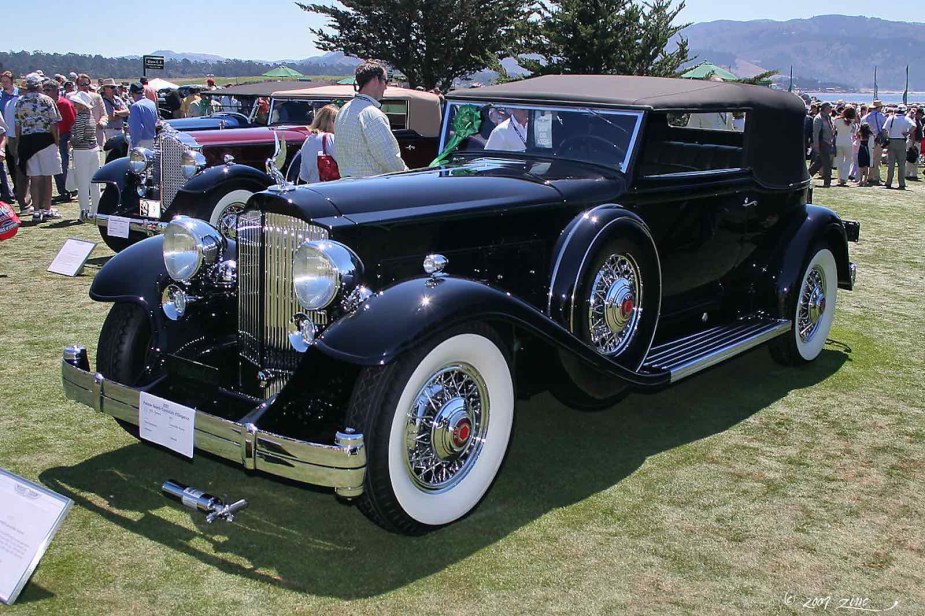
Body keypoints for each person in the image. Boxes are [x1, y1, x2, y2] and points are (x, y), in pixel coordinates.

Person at [333, 60, 407, 178]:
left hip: (347, 183)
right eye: (385, 81)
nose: (386, 87)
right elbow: (388, 157)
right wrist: (407, 175)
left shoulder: (343, 111)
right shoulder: (372, 114)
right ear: (375, 80)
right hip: (372, 185)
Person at [14, 72, 62, 221]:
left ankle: (36, 211)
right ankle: (46, 209)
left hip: (27, 142)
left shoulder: (20, 101)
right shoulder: (46, 100)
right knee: (47, 177)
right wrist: (56, 141)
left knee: (34, 178)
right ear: (39, 85)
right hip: (46, 140)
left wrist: (19, 143)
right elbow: (54, 123)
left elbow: (18, 125)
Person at [68, 91, 102, 218]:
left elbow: (78, 138)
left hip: (82, 151)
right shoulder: (91, 116)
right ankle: (96, 210)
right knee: (94, 182)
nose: (74, 105)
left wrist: (70, 141)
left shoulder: (79, 118)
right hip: (94, 149)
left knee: (82, 183)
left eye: (77, 103)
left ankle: (84, 211)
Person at [1, 70, 29, 211]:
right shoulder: (2, 96)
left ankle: (23, 195)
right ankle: (17, 192)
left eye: (6, 81)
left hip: (18, 135)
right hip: (6, 134)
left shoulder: (19, 96)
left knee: (21, 167)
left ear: (12, 81)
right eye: (2, 81)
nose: (4, 83)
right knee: (11, 166)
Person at [45, 80, 75, 203]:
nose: (45, 92)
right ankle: (62, 191)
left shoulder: (65, 104)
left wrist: (71, 139)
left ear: (56, 91)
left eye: (48, 90)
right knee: (55, 165)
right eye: (44, 90)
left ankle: (67, 190)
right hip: (49, 137)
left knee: (63, 164)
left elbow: (73, 122)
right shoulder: (45, 104)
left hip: (63, 137)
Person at [298, 104, 338, 183]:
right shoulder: (330, 138)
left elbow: (303, 175)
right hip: (332, 187)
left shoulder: (308, 141)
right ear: (331, 122)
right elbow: (345, 163)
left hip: (314, 188)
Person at [883, 105, 915, 190]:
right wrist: (907, 133)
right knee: (901, 164)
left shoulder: (891, 118)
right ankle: (901, 183)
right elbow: (914, 126)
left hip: (892, 141)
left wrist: (887, 138)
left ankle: (888, 182)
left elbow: (884, 129)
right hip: (901, 141)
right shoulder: (906, 119)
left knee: (891, 164)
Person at [75, 73, 107, 148]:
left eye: (87, 84)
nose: (85, 86)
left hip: (97, 134)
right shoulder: (71, 97)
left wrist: (102, 122)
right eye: (82, 84)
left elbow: (104, 115)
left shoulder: (97, 97)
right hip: (79, 135)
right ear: (77, 85)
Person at [808, 102, 835, 187]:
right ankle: (827, 182)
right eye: (830, 107)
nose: (831, 109)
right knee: (827, 163)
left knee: (818, 163)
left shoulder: (828, 117)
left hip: (828, 143)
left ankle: (806, 176)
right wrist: (816, 145)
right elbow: (816, 133)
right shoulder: (818, 118)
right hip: (822, 143)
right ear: (825, 108)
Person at [861, 100, 887, 185]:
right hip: (877, 139)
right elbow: (885, 128)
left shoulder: (865, 117)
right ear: (879, 108)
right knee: (876, 158)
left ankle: (870, 175)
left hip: (866, 139)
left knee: (869, 158)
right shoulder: (881, 116)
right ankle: (873, 176)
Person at [127, 82, 158, 149]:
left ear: (132, 93)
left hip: (140, 141)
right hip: (151, 139)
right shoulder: (152, 103)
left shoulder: (135, 106)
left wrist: (134, 143)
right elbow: (156, 120)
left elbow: (137, 127)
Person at [100, 78, 129, 144]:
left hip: (120, 130)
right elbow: (110, 118)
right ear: (105, 89)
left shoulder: (117, 99)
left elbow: (128, 112)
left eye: (114, 87)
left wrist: (117, 113)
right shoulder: (102, 101)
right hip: (109, 131)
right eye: (112, 87)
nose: (114, 89)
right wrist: (122, 114)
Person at [833, 106, 856, 186]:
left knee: (839, 160)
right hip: (848, 142)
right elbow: (853, 132)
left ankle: (840, 178)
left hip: (838, 141)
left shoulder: (837, 120)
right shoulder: (852, 121)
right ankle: (844, 177)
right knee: (848, 160)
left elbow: (833, 131)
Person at [906, 107, 923, 180]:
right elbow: (913, 133)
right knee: (911, 158)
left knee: (915, 158)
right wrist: (913, 144)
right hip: (913, 141)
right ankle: (909, 174)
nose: (921, 116)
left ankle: (913, 174)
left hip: (917, 141)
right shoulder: (914, 121)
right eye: (921, 114)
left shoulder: (918, 121)